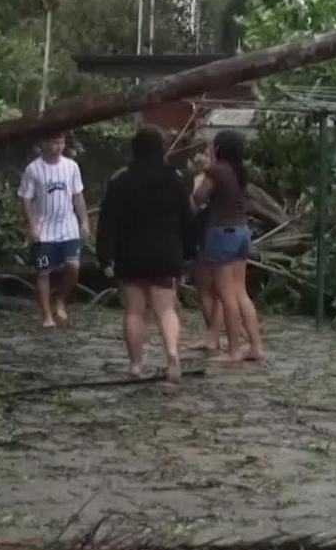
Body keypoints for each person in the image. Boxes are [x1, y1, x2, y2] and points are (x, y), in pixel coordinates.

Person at [96, 126, 198, 380]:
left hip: (130, 255)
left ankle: (135, 365)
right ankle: (172, 356)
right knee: (166, 309)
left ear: (134, 149)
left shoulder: (120, 180)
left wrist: (104, 255)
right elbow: (187, 220)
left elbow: (107, 221)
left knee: (134, 310)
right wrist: (189, 253)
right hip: (166, 254)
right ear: (162, 150)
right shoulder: (176, 180)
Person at [191, 130, 264, 362]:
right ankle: (255, 347)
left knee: (226, 294)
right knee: (241, 291)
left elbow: (198, 198)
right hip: (242, 231)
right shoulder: (238, 171)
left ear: (219, 148)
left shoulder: (217, 170)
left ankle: (233, 352)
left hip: (222, 232)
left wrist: (201, 176)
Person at [18, 133, 87, 328]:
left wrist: (84, 221)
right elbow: (26, 200)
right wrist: (32, 225)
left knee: (73, 267)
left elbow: (78, 196)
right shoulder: (33, 169)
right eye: (54, 142)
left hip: (68, 226)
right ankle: (46, 315)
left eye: (62, 142)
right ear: (44, 143)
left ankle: (60, 299)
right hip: (44, 228)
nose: (59, 146)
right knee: (43, 272)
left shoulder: (71, 167)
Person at [186, 146, 226, 354]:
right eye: (196, 154)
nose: (198, 158)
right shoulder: (228, 176)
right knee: (211, 289)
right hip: (213, 232)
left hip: (206, 232)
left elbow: (195, 205)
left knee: (211, 289)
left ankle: (213, 336)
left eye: (202, 153)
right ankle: (213, 336)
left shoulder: (207, 179)